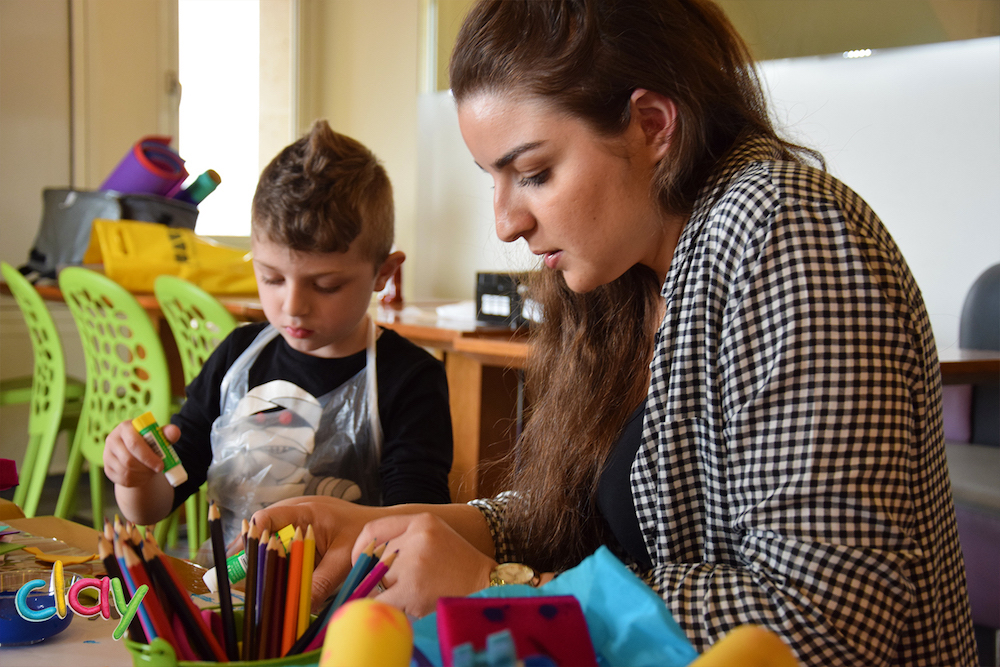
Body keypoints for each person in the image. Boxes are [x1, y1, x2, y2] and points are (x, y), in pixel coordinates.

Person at [252, 2, 977, 664]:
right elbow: (573, 521)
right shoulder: (624, 277)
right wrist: (391, 527)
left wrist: (497, 587)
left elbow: (824, 623)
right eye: (493, 179)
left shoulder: (785, 236)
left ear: (653, 126)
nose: (506, 220)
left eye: (533, 173)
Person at [103, 120, 454, 546]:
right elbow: (157, 504)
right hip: (230, 599)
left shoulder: (410, 379)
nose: (292, 306)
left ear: (383, 272)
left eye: (326, 285)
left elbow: (413, 531)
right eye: (271, 278)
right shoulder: (236, 357)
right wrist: (136, 478)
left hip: (350, 606)